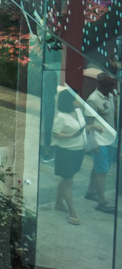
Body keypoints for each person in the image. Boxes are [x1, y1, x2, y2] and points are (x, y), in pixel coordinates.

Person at [52, 88, 88, 225]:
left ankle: (58, 203)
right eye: (76, 98)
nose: (78, 100)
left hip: (78, 151)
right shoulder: (61, 117)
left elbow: (81, 128)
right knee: (69, 181)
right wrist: (71, 136)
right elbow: (55, 133)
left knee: (67, 178)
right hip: (65, 152)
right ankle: (72, 212)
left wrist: (93, 128)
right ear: (69, 101)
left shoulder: (78, 112)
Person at [86, 75, 118, 213]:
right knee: (102, 171)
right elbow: (89, 124)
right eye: (109, 84)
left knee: (99, 167)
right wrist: (93, 144)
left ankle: (91, 191)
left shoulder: (111, 96)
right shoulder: (93, 100)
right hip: (100, 141)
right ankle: (102, 201)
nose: (112, 87)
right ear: (100, 84)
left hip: (110, 139)